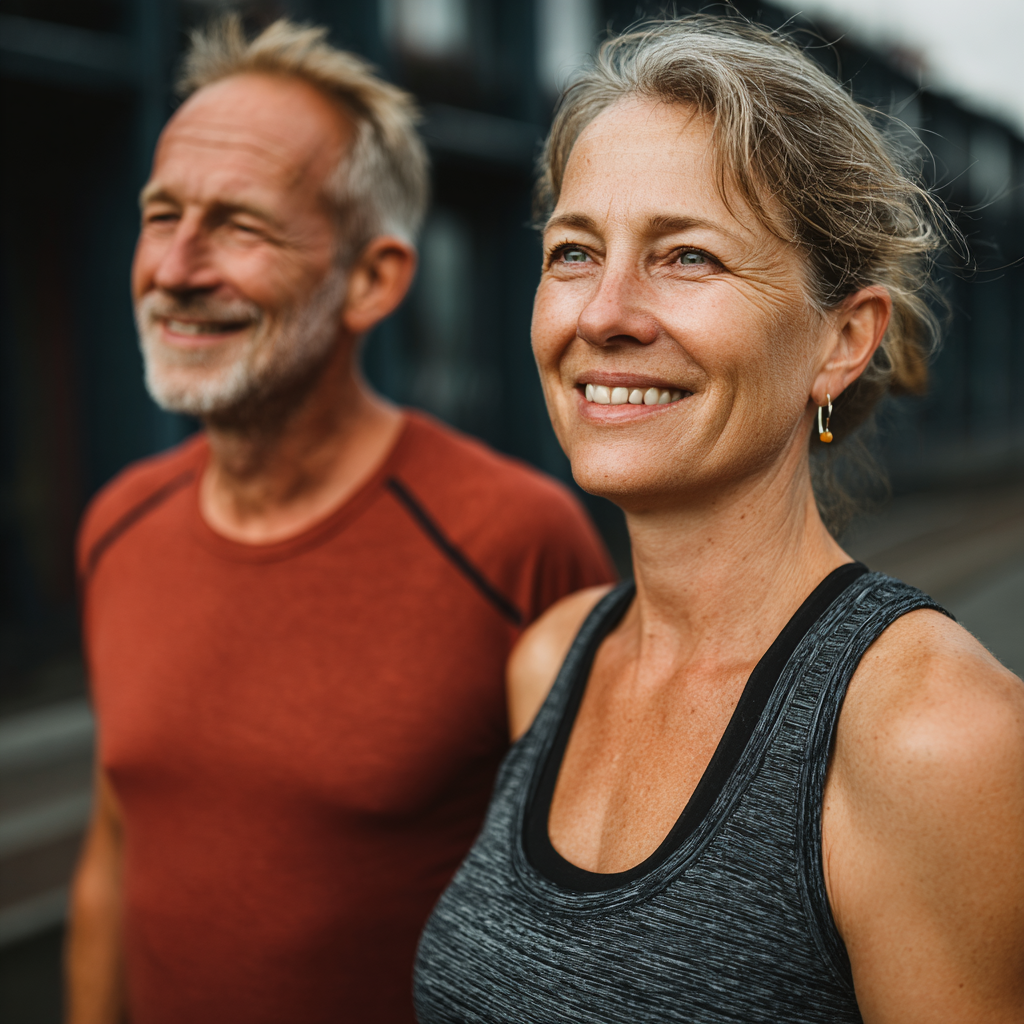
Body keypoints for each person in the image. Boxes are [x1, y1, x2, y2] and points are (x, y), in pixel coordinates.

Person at [414, 16, 1024, 1024]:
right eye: (574, 251)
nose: (602, 312)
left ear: (840, 341)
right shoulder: (550, 663)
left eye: (687, 256)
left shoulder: (934, 737)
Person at [68, 17, 613, 1024]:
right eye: (161, 213)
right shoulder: (117, 525)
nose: (176, 266)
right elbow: (114, 842)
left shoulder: (515, 541)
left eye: (239, 225)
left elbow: (605, 933)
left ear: (373, 278)